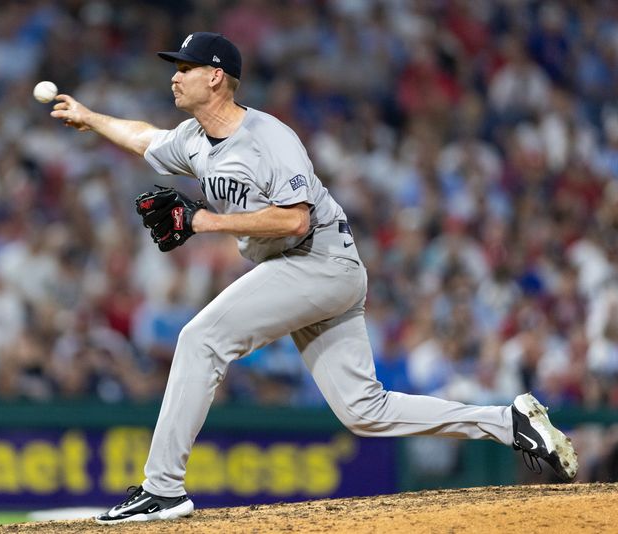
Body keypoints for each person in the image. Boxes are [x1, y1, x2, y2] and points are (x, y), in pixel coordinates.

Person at [50, 32, 578, 525]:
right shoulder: (193, 137)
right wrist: (90, 117)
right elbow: (146, 137)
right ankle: (509, 422)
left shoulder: (268, 137)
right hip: (307, 271)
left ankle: (163, 487)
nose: (174, 75)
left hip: (318, 260)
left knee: (200, 339)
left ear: (216, 77)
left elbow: (294, 218)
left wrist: (201, 220)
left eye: (184, 67)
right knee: (364, 411)